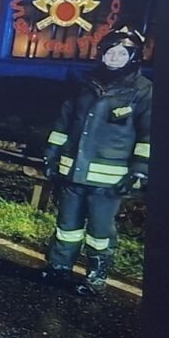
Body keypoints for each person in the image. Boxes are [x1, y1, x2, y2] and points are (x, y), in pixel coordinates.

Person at [42, 26, 152, 296]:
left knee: (100, 232)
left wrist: (139, 171)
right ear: (101, 53)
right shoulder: (85, 85)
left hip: (109, 180)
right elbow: (64, 123)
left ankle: (95, 278)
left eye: (122, 53)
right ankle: (59, 268)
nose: (114, 57)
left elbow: (148, 134)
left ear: (134, 57)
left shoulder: (143, 90)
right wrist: (51, 154)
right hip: (73, 171)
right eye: (110, 52)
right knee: (67, 226)